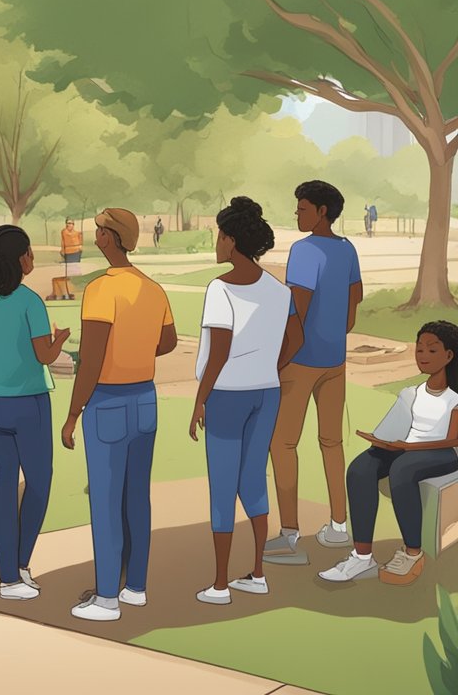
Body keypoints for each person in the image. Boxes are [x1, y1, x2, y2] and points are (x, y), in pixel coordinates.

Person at [61, 208, 178, 622]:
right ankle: (136, 588)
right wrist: (135, 351)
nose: (95, 238)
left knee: (106, 501)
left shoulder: (100, 290)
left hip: (107, 402)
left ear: (111, 238)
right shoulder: (152, 289)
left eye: (99, 232)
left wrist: (73, 413)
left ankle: (107, 597)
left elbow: (90, 360)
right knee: (136, 498)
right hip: (144, 400)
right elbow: (168, 341)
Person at [187, 197, 296, 605]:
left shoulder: (220, 288)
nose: (216, 243)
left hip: (227, 395)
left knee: (222, 485)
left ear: (231, 240)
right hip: (265, 392)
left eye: (219, 236)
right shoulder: (278, 289)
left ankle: (219, 584)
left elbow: (218, 352)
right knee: (252, 480)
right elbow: (295, 339)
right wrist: (269, 364)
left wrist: (200, 400)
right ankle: (258, 573)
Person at [265, 180, 363, 565]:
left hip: (301, 361)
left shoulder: (304, 251)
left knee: (283, 444)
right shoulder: (347, 248)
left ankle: (289, 535)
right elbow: (353, 304)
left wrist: (278, 359)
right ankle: (339, 526)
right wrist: (334, 336)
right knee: (331, 442)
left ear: (322, 211)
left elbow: (296, 310)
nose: (298, 214)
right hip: (334, 361)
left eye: (303, 208)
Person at [0, 225, 70, 601]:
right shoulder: (30, 302)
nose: (32, 259)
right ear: (18, 260)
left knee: (5, 486)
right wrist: (60, 340)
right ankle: (21, 565)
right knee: (39, 483)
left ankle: (8, 576)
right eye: (28, 253)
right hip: (27, 403)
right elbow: (44, 356)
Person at [320, 321, 458, 586]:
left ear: (449, 355)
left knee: (403, 468)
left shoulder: (454, 397)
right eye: (419, 350)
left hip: (443, 453)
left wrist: (408, 448)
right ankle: (362, 557)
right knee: (361, 468)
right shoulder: (412, 393)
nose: (423, 357)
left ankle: (412, 553)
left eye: (431, 351)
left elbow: (453, 440)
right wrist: (382, 442)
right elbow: (397, 429)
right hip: (407, 448)